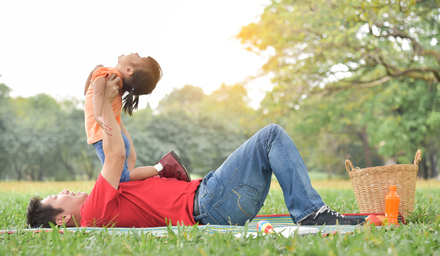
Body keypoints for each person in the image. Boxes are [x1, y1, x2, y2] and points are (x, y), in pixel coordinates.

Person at [26, 75, 366, 228]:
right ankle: (310, 213)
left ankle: (308, 210)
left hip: (213, 197)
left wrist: (115, 105)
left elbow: (126, 159)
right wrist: (100, 114)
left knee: (268, 140)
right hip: (212, 204)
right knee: (270, 136)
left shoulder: (106, 198)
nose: (67, 190)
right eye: (59, 196)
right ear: (62, 219)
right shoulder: (93, 214)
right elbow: (113, 157)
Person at [84, 55, 189, 183]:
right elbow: (90, 93)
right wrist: (93, 73)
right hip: (116, 139)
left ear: (129, 70)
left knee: (120, 179)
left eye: (139, 58)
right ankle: (160, 171)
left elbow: (96, 94)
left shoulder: (108, 73)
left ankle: (162, 167)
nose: (136, 53)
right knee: (124, 178)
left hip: (104, 139)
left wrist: (98, 116)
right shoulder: (117, 85)